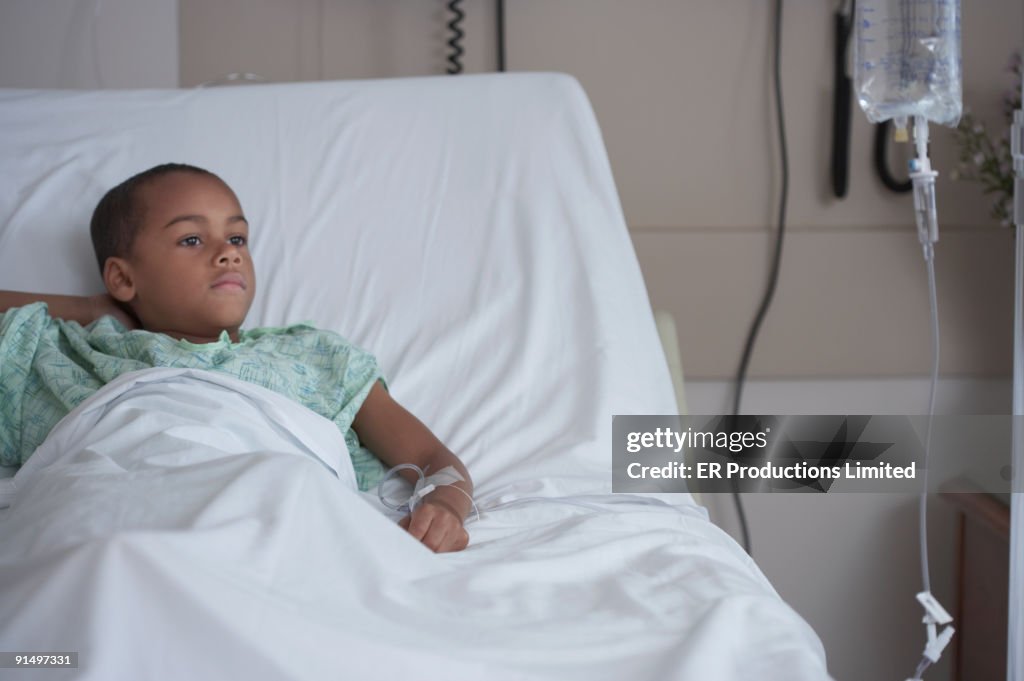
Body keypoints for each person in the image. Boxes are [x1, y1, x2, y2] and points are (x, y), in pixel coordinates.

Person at [0, 163, 472, 553]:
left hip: (278, 517)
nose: (227, 254)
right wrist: (91, 308)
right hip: (105, 523)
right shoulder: (69, 353)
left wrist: (444, 507)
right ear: (122, 278)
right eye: (191, 239)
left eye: (238, 239)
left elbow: (432, 458)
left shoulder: (315, 357)